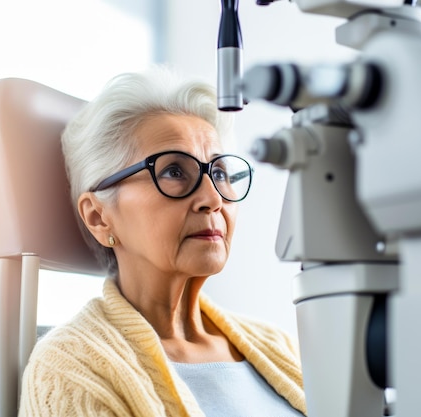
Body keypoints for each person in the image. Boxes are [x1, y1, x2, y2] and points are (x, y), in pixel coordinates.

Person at [18, 66, 307, 417]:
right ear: (98, 216)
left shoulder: (277, 345)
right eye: (173, 171)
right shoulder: (71, 369)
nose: (213, 198)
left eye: (218, 173)